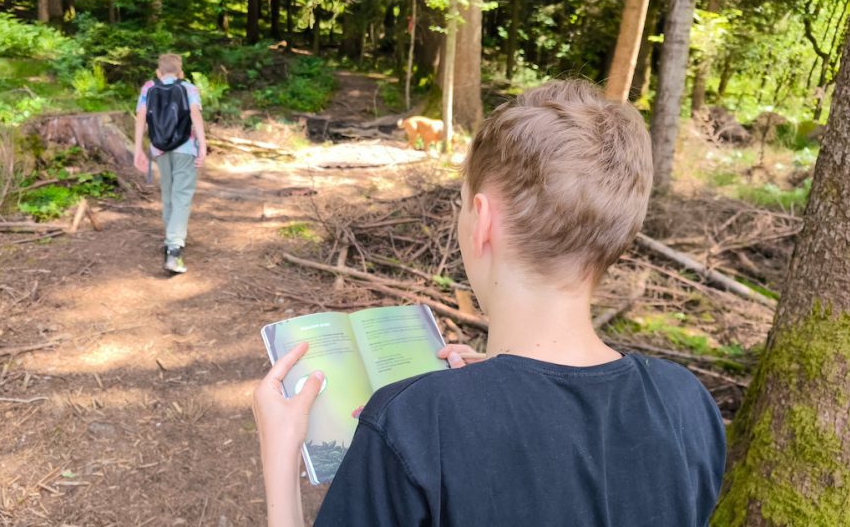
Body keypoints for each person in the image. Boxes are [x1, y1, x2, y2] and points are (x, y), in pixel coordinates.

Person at [252, 80, 726, 526]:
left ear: (482, 221)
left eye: (461, 204)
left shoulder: (412, 422)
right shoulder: (687, 403)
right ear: (618, 233)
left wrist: (280, 457)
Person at [133, 53, 207, 274]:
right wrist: (203, 145)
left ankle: (171, 240)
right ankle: (174, 250)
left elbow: (141, 117)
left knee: (168, 194)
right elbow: (195, 114)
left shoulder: (148, 87)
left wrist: (137, 149)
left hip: (160, 148)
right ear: (180, 71)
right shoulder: (188, 87)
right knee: (182, 195)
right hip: (186, 148)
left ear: (158, 72)